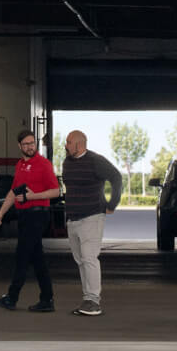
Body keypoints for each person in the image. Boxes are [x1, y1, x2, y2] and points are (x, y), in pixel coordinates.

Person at [0, 128, 59, 313]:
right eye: (26, 144)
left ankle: (12, 298)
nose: (30, 147)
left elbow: (56, 191)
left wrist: (32, 196)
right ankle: (47, 300)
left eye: (32, 143)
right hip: (24, 216)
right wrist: (0, 213)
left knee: (22, 255)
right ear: (19, 146)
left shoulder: (43, 164)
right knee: (37, 259)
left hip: (38, 215)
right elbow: (13, 192)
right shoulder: (20, 165)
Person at [59, 129, 121, 317]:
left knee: (89, 258)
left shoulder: (96, 161)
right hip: (73, 219)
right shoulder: (67, 162)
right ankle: (87, 299)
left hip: (92, 217)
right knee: (80, 260)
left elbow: (116, 177)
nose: (66, 145)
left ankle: (94, 301)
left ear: (79, 144)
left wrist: (112, 204)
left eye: (69, 142)